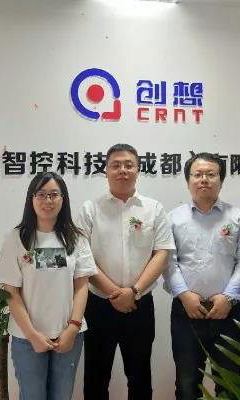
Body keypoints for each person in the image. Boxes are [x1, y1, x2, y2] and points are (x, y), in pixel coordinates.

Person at [77, 143, 175, 400]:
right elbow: (83, 257)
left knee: (140, 377)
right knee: (96, 378)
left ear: (138, 170)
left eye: (129, 165)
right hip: (98, 305)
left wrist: (134, 291)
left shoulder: (154, 208)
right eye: (116, 165)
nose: (123, 170)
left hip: (139, 304)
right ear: (106, 171)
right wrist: (114, 293)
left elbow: (162, 254)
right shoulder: (90, 209)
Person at [0, 172, 97, 400]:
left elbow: (82, 286)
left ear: (63, 199)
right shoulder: (17, 238)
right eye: (41, 194)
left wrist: (73, 328)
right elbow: (11, 292)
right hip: (27, 337)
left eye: (54, 194)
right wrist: (32, 335)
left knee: (62, 395)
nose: (47, 201)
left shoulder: (76, 238)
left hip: (68, 335)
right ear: (31, 199)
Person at [163, 152, 240, 400]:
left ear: (221, 180)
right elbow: (168, 262)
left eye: (211, 174)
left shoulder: (236, 216)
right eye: (198, 174)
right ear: (188, 181)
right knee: (187, 384)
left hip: (228, 312)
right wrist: (184, 295)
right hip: (186, 312)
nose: (204, 179)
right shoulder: (173, 218)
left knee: (231, 383)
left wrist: (228, 297)